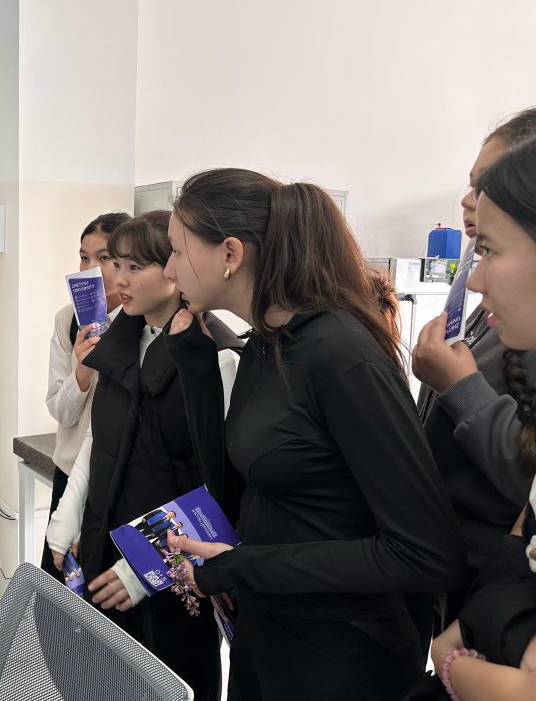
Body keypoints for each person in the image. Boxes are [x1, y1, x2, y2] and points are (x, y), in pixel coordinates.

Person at [163, 168, 466, 701]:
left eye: (177, 251)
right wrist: (196, 369)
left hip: (342, 654)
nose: (169, 269)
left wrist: (242, 566)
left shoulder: (339, 353)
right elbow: (244, 491)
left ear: (230, 254)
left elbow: (423, 552)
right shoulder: (266, 344)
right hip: (272, 630)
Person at [47, 211, 242, 701]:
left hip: (171, 570)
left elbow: (220, 487)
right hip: (101, 548)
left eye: (135, 267)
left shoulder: (216, 355)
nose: (117, 279)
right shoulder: (117, 339)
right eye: (116, 264)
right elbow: (99, 438)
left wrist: (143, 567)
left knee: (167, 681)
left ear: (173, 271)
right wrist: (68, 515)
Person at [413, 108, 536, 631]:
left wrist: (459, 387)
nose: (468, 200)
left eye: (484, 185)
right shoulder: (485, 286)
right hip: (467, 561)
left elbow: (523, 466)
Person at [42, 211, 130, 580]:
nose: (91, 268)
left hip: (116, 479)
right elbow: (60, 411)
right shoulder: (69, 320)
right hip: (69, 473)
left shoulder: (140, 323)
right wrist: (82, 370)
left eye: (104, 258)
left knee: (99, 591)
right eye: (83, 257)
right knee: (58, 587)